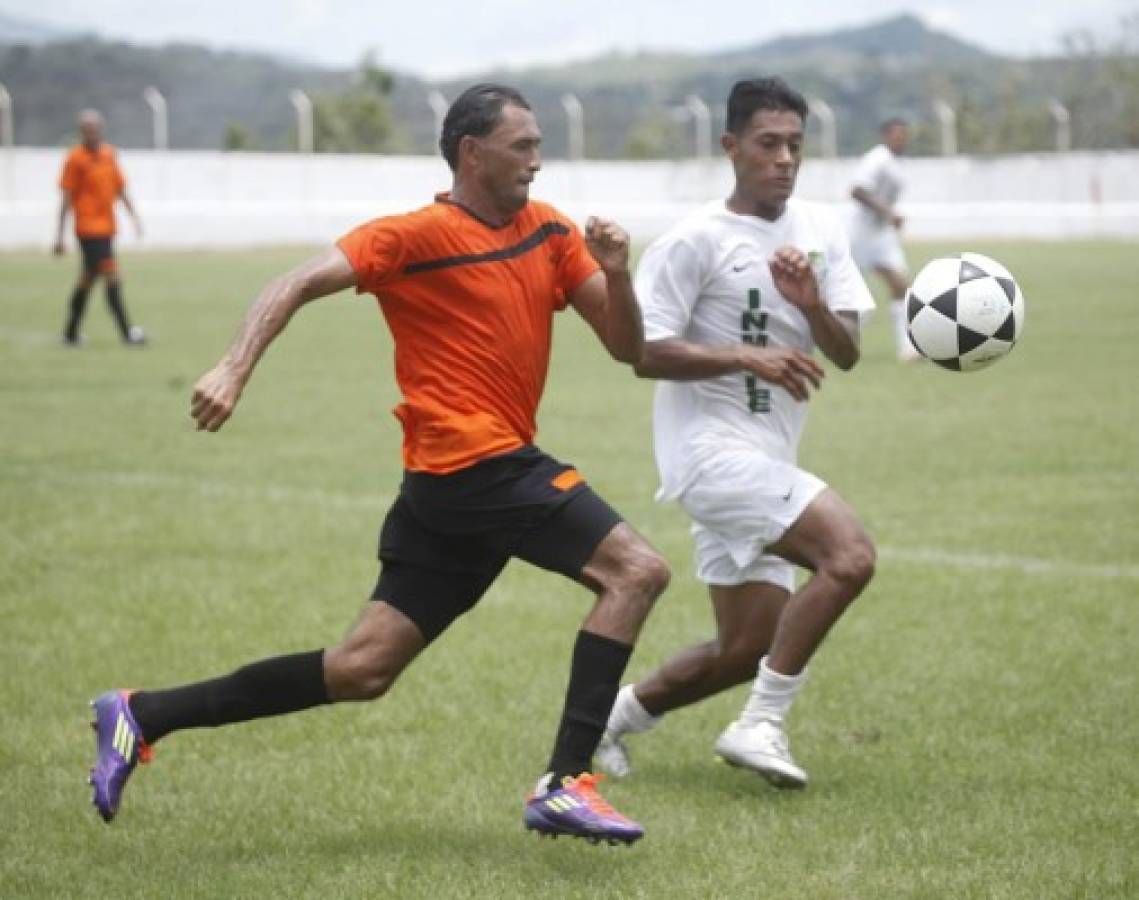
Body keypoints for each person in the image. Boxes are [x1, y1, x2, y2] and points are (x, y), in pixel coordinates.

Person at [86, 83, 670, 844]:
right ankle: (565, 782)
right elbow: (293, 282)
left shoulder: (551, 232)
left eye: (537, 144)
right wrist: (231, 369)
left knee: (362, 669)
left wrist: (617, 271)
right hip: (475, 465)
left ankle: (141, 712)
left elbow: (629, 349)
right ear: (471, 152)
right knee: (637, 570)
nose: (538, 159)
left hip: (447, 488)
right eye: (522, 145)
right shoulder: (414, 235)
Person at [596, 77, 876, 789]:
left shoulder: (818, 231)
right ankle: (760, 724)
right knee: (847, 557)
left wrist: (809, 306)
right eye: (768, 144)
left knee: (744, 647)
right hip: (707, 458)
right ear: (731, 147)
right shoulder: (695, 241)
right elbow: (641, 352)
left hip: (766, 454)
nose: (783, 159)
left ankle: (611, 721)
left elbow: (843, 352)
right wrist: (744, 354)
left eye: (794, 146)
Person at [54, 109, 146, 346]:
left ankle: (70, 333)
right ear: (81, 132)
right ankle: (128, 334)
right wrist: (59, 234)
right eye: (87, 130)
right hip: (87, 229)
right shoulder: (75, 158)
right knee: (112, 276)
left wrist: (133, 216)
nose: (92, 134)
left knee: (87, 279)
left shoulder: (109, 154)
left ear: (101, 129)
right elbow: (66, 196)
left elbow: (120, 187)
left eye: (95, 129)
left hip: (106, 229)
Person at [845, 118, 916, 361]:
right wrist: (887, 212)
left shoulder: (898, 163)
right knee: (851, 296)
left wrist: (888, 218)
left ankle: (908, 348)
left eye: (904, 135)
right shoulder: (877, 159)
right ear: (885, 136)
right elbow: (856, 190)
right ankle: (835, 336)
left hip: (882, 235)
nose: (901, 139)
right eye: (896, 135)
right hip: (859, 233)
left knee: (901, 286)